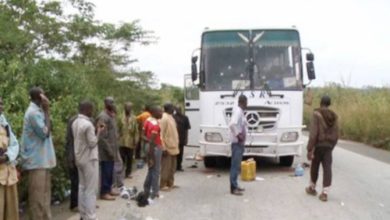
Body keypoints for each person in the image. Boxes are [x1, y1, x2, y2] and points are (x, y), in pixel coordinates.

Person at [20, 87, 56, 219]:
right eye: (44, 94)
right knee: (37, 200)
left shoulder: (38, 111)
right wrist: (47, 110)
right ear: (40, 96)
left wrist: (46, 111)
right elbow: (45, 133)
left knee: (45, 198)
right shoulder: (33, 113)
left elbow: (48, 128)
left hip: (43, 161)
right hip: (36, 162)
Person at [72, 100, 102, 220]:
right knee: (91, 189)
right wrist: (99, 132)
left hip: (79, 158)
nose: (92, 111)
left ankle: (83, 214)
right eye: (91, 109)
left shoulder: (75, 122)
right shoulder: (88, 125)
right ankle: (91, 216)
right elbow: (92, 143)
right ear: (87, 109)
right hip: (90, 159)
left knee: (82, 187)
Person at [305, 95, 339, 202]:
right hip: (329, 146)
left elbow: (313, 133)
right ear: (329, 104)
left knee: (315, 166)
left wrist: (310, 148)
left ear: (321, 103)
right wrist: (331, 146)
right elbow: (336, 134)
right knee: (327, 168)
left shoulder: (317, 114)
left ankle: (312, 187)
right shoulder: (335, 116)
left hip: (318, 145)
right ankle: (325, 193)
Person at [0, 97, 20, 220]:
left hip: (8, 173)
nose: (1, 106)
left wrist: (7, 156)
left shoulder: (4, 123)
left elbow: (15, 144)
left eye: (1, 103)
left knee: (11, 211)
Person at [96, 97, 119, 200]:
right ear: (105, 103)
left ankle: (109, 189)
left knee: (110, 171)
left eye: (113, 102)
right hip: (106, 150)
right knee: (106, 171)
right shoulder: (103, 117)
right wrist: (109, 151)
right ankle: (104, 192)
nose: (112, 104)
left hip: (112, 149)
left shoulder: (112, 116)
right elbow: (102, 137)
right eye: (110, 102)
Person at [229, 94, 247, 196]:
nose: (247, 104)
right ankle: (233, 188)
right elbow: (232, 124)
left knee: (237, 165)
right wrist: (238, 135)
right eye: (246, 102)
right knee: (235, 166)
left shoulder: (240, 112)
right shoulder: (238, 111)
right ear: (243, 102)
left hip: (239, 143)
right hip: (237, 143)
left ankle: (235, 185)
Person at [143, 106, 163, 199]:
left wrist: (148, 141)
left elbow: (142, 135)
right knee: (156, 170)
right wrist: (151, 156)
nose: (162, 113)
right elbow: (153, 141)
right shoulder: (155, 124)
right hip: (154, 148)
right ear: (154, 112)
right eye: (160, 111)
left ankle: (146, 189)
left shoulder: (147, 120)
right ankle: (154, 192)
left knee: (151, 169)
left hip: (148, 146)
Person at [160, 103, 179, 191]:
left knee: (172, 167)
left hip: (174, 146)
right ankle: (163, 184)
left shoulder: (171, 117)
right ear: (168, 108)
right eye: (172, 107)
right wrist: (163, 148)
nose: (174, 108)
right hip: (167, 147)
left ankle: (170, 183)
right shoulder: (164, 118)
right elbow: (161, 134)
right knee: (166, 168)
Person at [118, 102, 139, 179]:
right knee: (122, 157)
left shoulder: (134, 118)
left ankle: (128, 172)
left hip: (130, 141)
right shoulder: (120, 117)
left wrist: (136, 140)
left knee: (130, 158)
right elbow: (118, 128)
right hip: (122, 141)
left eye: (130, 107)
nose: (129, 109)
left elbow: (136, 130)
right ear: (125, 108)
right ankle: (121, 173)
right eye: (127, 107)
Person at [65, 114, 79, 212]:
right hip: (73, 157)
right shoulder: (75, 122)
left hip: (74, 156)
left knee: (78, 181)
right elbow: (70, 143)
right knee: (75, 181)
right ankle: (74, 205)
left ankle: (78, 204)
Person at [173, 106, 191, 171]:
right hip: (174, 138)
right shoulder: (172, 117)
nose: (178, 110)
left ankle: (179, 166)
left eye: (179, 109)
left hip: (182, 138)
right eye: (176, 109)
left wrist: (186, 138)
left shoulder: (185, 118)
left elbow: (187, 129)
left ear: (181, 109)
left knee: (180, 153)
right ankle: (174, 167)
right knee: (174, 153)